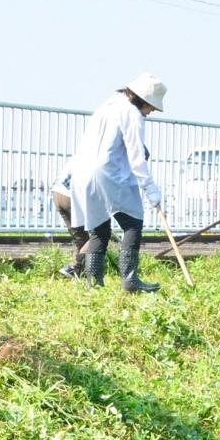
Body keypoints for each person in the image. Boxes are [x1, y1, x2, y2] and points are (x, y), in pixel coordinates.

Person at [68, 73, 166, 292]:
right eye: (151, 107)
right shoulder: (131, 113)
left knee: (98, 229)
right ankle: (130, 281)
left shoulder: (106, 106)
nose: (151, 112)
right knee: (133, 223)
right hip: (109, 172)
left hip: (83, 172)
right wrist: (150, 188)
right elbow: (136, 155)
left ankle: (93, 284)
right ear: (143, 99)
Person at [52, 169, 90, 278]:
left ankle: (77, 271)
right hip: (71, 194)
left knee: (81, 238)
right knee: (101, 233)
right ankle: (74, 266)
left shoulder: (83, 154)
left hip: (58, 192)